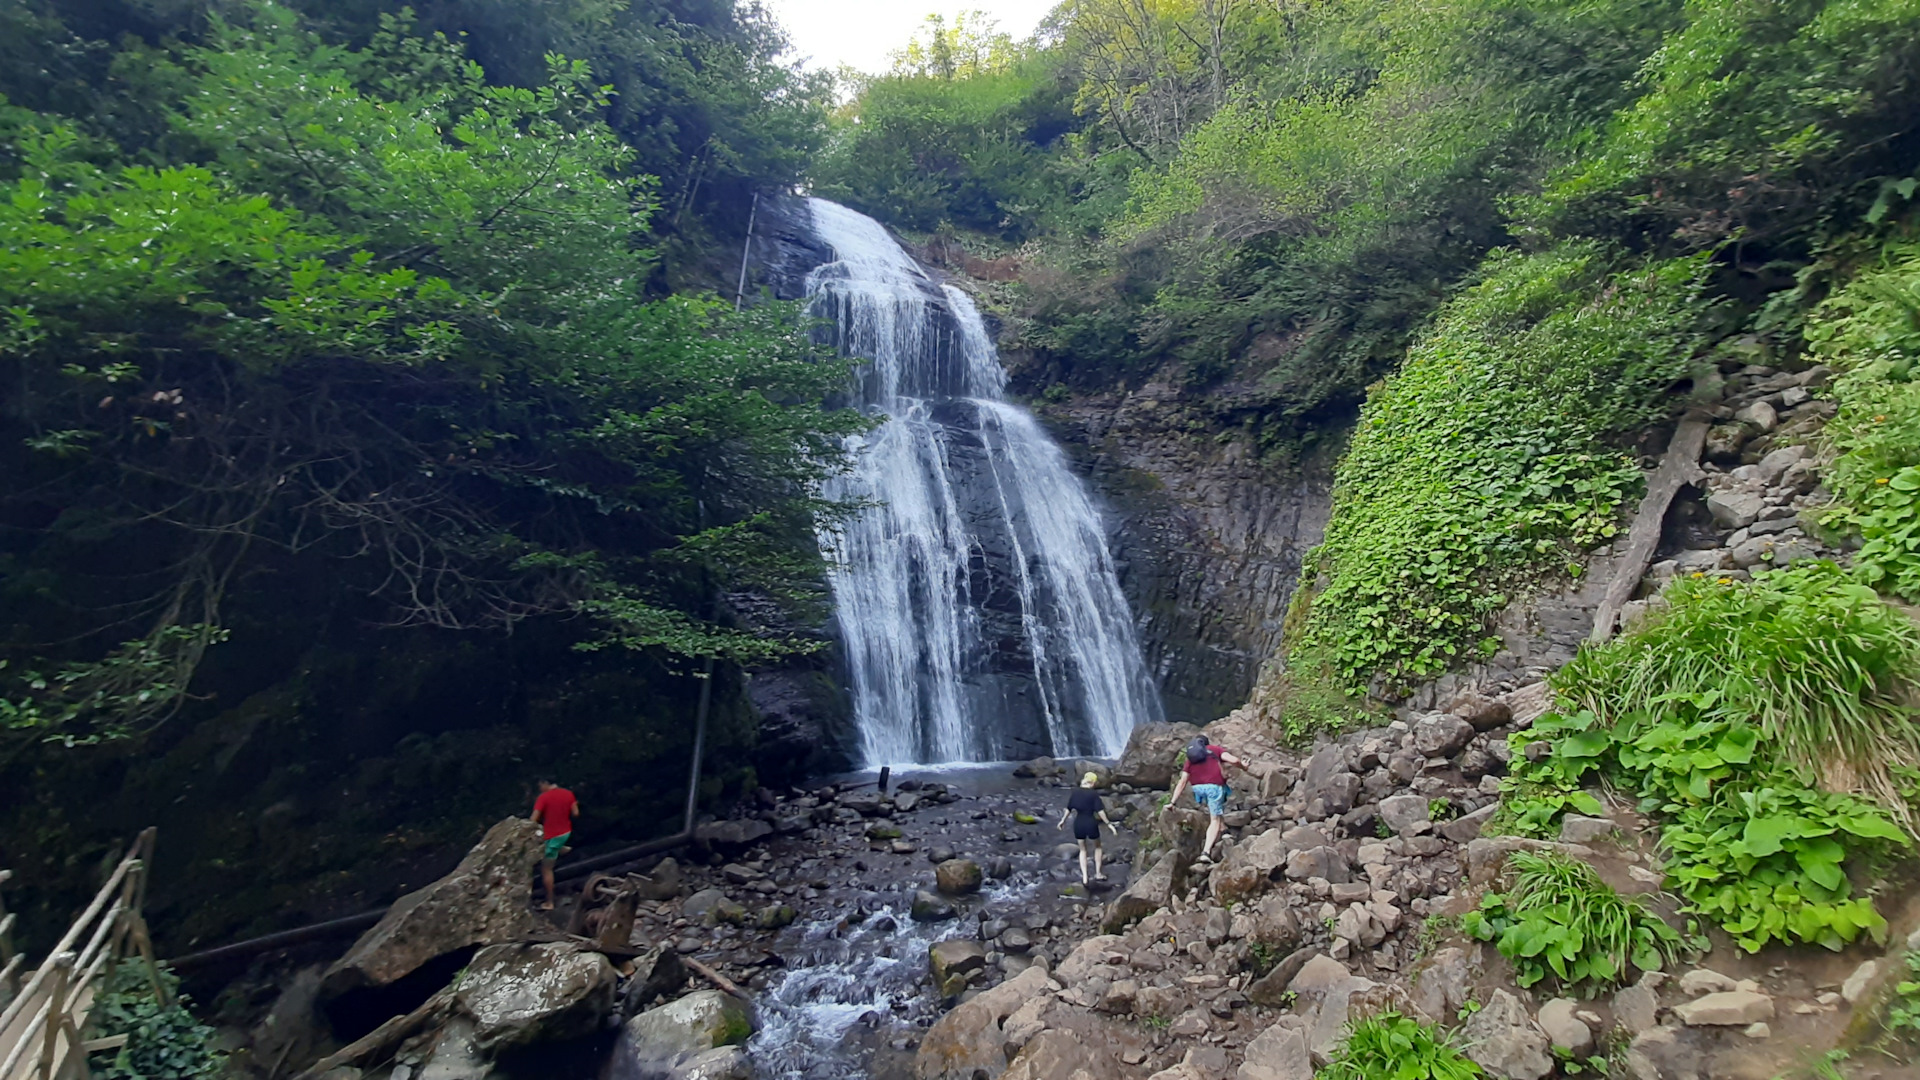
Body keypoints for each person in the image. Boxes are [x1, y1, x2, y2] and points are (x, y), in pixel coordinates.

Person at [1165, 736, 1246, 862]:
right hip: (1213, 788)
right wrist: (1243, 766)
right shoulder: (1214, 749)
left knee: (1215, 803)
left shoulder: (1191, 758)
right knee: (1214, 819)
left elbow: (1182, 782)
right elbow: (1234, 760)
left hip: (1198, 788)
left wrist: (1172, 802)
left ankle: (1224, 830)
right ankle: (1206, 852)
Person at [1056, 772, 1118, 885]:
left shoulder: (1075, 792)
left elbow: (1068, 809)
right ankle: (1098, 873)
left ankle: (1085, 877)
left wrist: (1062, 821)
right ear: (1093, 782)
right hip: (1090, 822)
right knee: (1098, 847)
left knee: (1082, 850)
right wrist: (1109, 824)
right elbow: (1100, 811)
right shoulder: (1093, 794)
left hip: (1078, 824)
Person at [530, 778, 579, 912]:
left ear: (545, 783)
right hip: (565, 833)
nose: (540, 789)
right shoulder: (568, 793)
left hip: (551, 836)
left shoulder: (543, 797)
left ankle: (549, 902)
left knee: (546, 869)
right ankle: (563, 849)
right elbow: (576, 813)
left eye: (540, 786)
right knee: (553, 848)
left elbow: (533, 820)